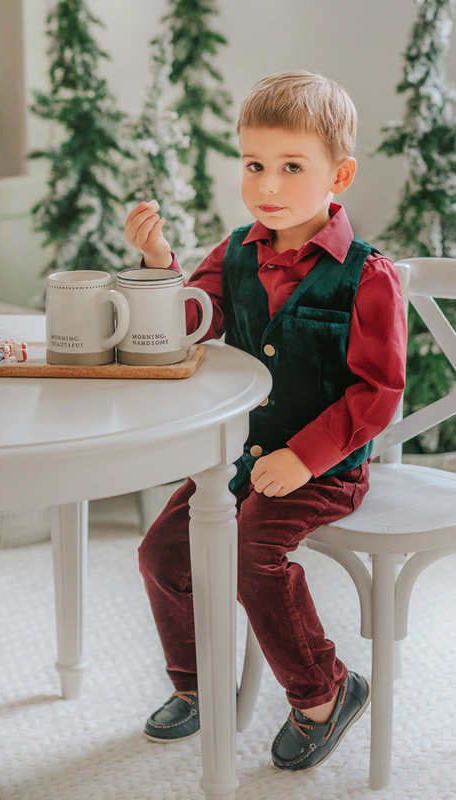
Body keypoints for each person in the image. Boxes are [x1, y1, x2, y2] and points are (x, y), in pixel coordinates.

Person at [124, 71, 407, 772]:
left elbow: (377, 393)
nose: (267, 185)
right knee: (161, 552)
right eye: (254, 165)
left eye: (289, 167)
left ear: (337, 174)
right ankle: (195, 686)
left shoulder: (367, 277)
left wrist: (306, 458)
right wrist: (161, 266)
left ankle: (323, 690)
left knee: (252, 552)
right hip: (243, 458)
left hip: (326, 467)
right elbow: (196, 318)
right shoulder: (236, 252)